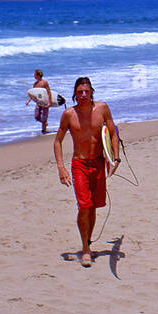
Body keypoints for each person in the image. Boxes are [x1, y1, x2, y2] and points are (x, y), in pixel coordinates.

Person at [54, 76, 119, 268]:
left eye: (87, 91)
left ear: (92, 92)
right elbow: (57, 141)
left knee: (93, 207)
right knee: (84, 206)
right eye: (80, 92)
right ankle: (85, 248)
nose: (83, 95)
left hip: (99, 162)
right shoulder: (68, 114)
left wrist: (115, 158)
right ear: (74, 93)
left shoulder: (102, 109)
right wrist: (61, 167)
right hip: (79, 163)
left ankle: (88, 242)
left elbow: (113, 131)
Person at [29, 68, 54, 134]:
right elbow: (33, 94)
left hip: (45, 101)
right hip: (38, 102)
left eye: (35, 74)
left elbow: (49, 92)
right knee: (37, 116)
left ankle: (44, 130)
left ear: (39, 75)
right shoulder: (35, 84)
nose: (34, 76)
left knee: (44, 116)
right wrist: (29, 101)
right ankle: (45, 123)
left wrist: (50, 102)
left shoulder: (44, 82)